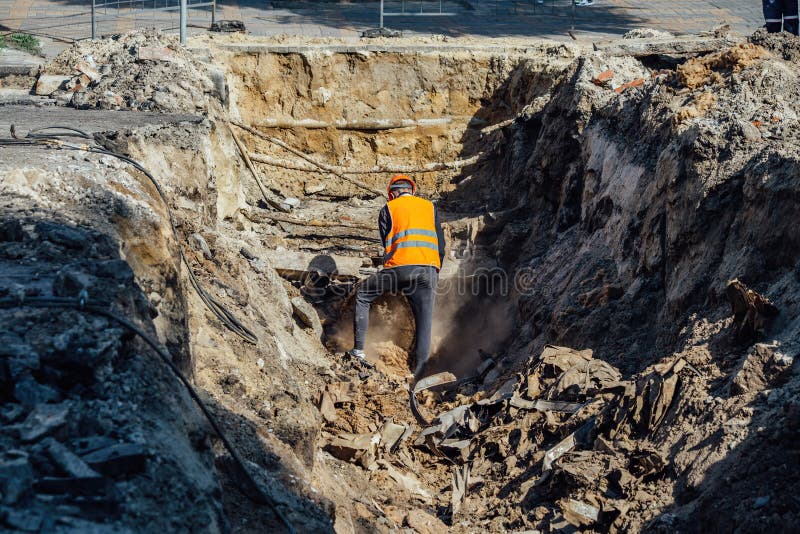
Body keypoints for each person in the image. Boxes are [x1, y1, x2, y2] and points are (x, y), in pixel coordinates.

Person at [347, 174, 446, 381]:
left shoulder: (388, 209)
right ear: (412, 191)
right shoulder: (430, 207)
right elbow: (441, 246)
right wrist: (435, 270)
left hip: (399, 268)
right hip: (428, 270)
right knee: (424, 322)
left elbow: (387, 245)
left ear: (392, 194)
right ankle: (419, 375)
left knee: (363, 295)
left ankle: (358, 351)